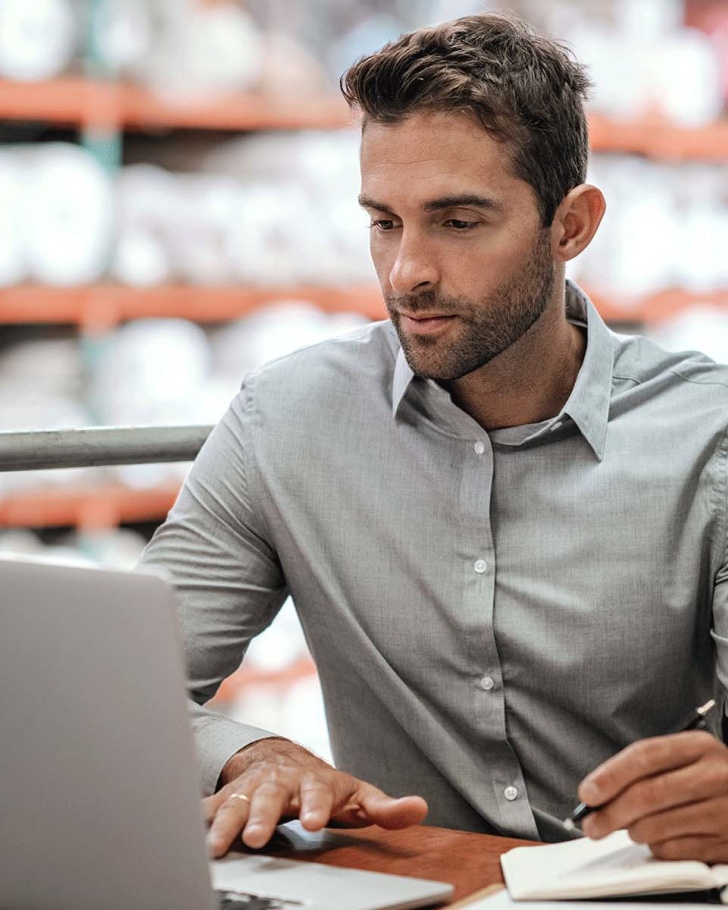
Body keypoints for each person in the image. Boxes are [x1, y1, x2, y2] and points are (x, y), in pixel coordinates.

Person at [141, 11, 728, 863]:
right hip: (408, 891)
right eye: (384, 221)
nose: (406, 271)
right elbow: (121, 691)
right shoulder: (286, 420)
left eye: (457, 222)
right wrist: (249, 754)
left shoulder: (707, 439)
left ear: (571, 226)